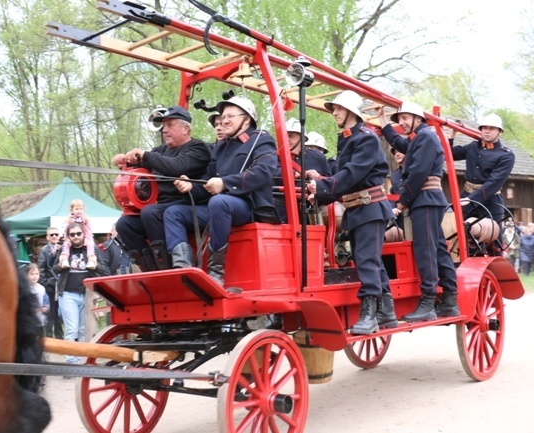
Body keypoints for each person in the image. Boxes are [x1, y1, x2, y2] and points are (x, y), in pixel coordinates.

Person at [163, 96, 281, 285]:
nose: (224, 120)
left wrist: (225, 183)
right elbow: (209, 177)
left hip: (248, 207)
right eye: (223, 116)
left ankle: (215, 271)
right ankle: (184, 270)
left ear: (247, 119)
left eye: (230, 116)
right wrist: (192, 186)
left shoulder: (261, 140)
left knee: (219, 202)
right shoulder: (222, 146)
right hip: (218, 208)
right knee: (173, 213)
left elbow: (263, 172)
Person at [306, 90, 395, 335]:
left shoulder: (365, 138)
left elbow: (352, 173)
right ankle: (387, 311)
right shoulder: (347, 138)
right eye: (334, 109)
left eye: (338, 108)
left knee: (366, 261)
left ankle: (370, 315)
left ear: (351, 112)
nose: (334, 112)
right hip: (358, 208)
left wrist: (324, 185)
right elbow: (344, 178)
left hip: (370, 207)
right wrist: (321, 191)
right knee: (370, 260)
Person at [376, 101, 460, 321]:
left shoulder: (425, 137)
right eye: (399, 119)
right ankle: (450, 300)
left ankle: (428, 301)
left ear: (418, 119)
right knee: (438, 248)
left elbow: (418, 174)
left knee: (426, 249)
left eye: (404, 118)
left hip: (425, 199)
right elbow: (397, 141)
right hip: (427, 200)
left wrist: (402, 203)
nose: (401, 123)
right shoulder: (418, 139)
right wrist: (384, 120)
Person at [113, 106, 212, 271]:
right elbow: (145, 160)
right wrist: (124, 160)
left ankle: (170, 267)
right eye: (163, 126)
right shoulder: (160, 151)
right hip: (162, 210)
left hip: (189, 206)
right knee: (124, 224)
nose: (164, 130)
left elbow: (176, 166)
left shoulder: (198, 148)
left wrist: (144, 155)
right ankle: (151, 268)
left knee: (151, 212)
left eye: (170, 125)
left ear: (186, 129)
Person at [53, 222, 112, 364]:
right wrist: (61, 265)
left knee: (82, 329)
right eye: (72, 234)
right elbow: (54, 268)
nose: (75, 237)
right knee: (71, 329)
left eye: (78, 234)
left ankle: (80, 358)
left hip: (87, 294)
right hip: (68, 293)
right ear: (68, 236)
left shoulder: (93, 249)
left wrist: (95, 265)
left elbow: (105, 270)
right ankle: (71, 360)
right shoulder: (65, 250)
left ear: (83, 234)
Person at [449, 114, 515, 231]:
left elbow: (494, 182)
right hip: (467, 196)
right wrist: (452, 136)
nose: (487, 131)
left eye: (492, 128)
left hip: (490, 201)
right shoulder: (473, 147)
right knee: (456, 233)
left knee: (493, 240)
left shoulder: (506, 155)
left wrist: (471, 199)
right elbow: (448, 154)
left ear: (500, 131)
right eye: (485, 128)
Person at [37, 226, 64, 339]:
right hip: (50, 285)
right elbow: (41, 268)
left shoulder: (63, 248)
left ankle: (59, 336)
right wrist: (46, 283)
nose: (54, 236)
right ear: (47, 237)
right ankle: (48, 337)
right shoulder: (44, 250)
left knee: (60, 313)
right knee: (50, 313)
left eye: (56, 234)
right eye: (51, 235)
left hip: (61, 284)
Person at [59, 199, 97, 270]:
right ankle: (64, 260)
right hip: (70, 238)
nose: (79, 210)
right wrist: (67, 239)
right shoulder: (70, 219)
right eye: (76, 209)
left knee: (91, 244)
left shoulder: (85, 218)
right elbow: (66, 230)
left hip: (86, 236)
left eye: (81, 209)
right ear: (72, 210)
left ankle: (91, 260)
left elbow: (89, 229)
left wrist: (86, 238)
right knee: (66, 244)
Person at [25, 263, 49, 333]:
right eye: (32, 274)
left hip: (40, 320)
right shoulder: (25, 289)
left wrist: (46, 307)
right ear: (26, 276)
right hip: (28, 321)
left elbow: (46, 301)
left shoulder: (42, 288)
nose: (34, 276)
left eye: (36, 274)